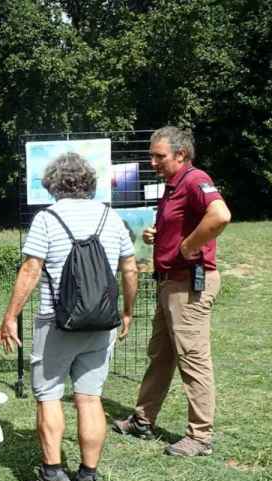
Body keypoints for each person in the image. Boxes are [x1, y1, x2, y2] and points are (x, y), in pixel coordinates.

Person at [0, 152, 138, 481]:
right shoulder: (111, 217)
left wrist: (10, 316)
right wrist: (127, 312)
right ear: (88, 183)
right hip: (101, 323)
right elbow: (130, 268)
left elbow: (31, 270)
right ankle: (89, 477)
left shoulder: (47, 219)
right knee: (90, 398)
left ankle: (52, 475)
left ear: (53, 185)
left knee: (48, 396)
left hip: (56, 321)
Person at [112, 126, 231, 457]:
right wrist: (158, 234)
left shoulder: (194, 180)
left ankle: (200, 436)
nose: (153, 162)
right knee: (161, 355)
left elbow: (220, 215)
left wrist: (189, 246)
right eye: (152, 155)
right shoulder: (173, 185)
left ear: (181, 155)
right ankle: (142, 420)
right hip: (171, 284)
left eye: (159, 156)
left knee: (193, 359)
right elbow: (182, 223)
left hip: (188, 284)